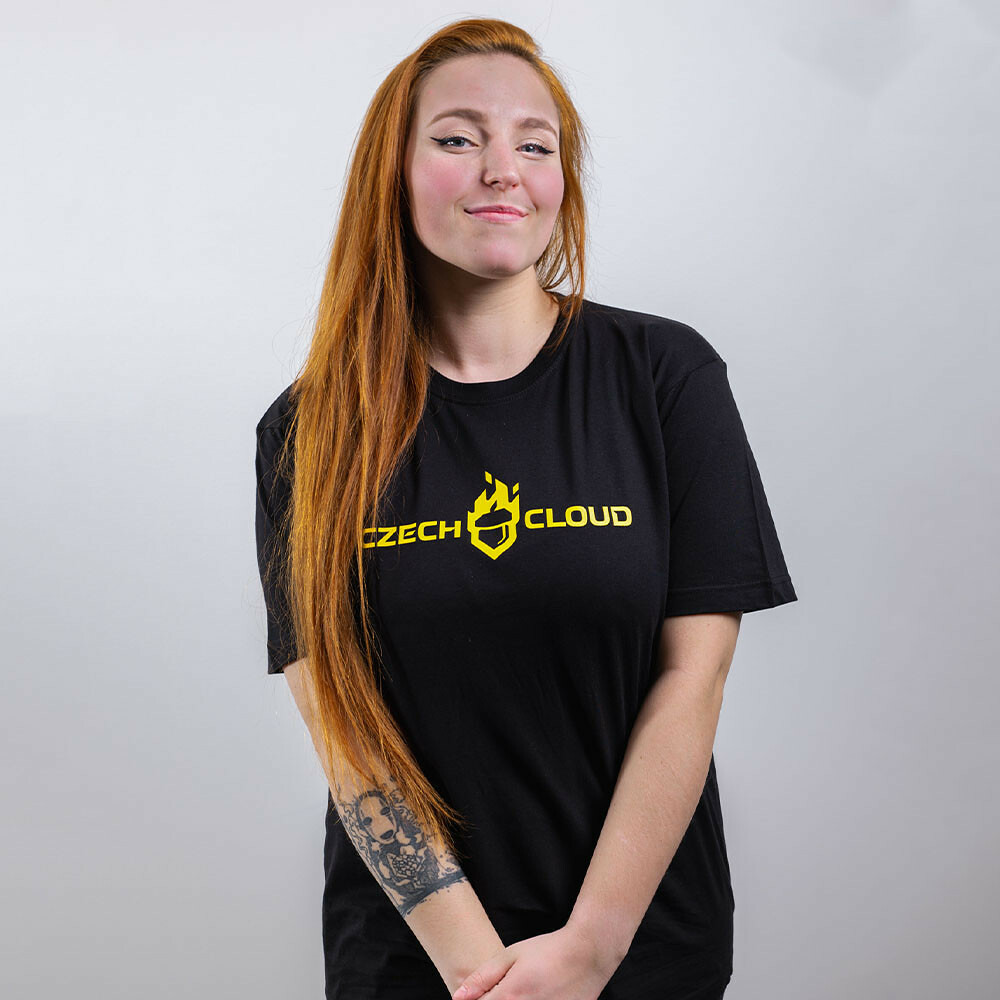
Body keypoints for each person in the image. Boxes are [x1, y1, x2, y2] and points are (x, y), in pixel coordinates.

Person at [254, 17, 797, 1000]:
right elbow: (345, 731)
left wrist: (589, 950)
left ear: (561, 183)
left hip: (640, 952)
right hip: (416, 965)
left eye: (535, 145)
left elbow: (695, 676)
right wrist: (481, 974)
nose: (502, 168)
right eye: (458, 137)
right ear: (391, 173)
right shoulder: (310, 430)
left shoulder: (663, 376)